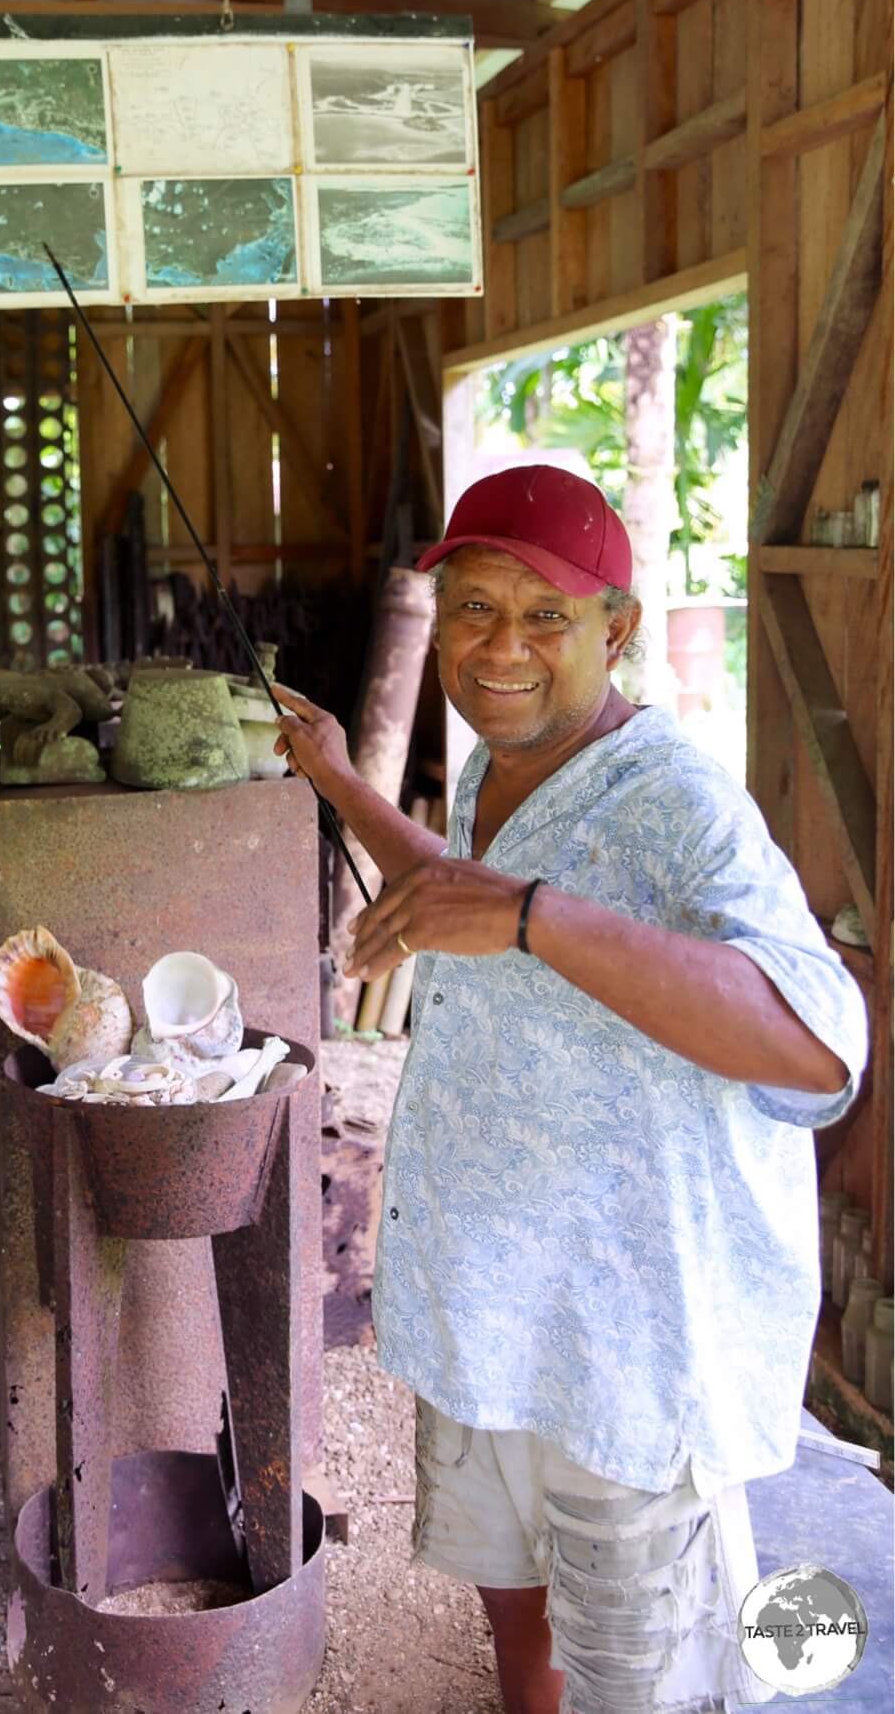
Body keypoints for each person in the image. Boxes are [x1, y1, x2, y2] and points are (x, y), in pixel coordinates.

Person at [273, 463, 867, 1714]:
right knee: (514, 1595)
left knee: (638, 1670)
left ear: (617, 628)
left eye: (545, 615)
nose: (502, 646)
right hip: (502, 1306)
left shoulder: (678, 804)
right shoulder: (503, 763)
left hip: (628, 1344)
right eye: (475, 609)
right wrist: (338, 778)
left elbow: (822, 1046)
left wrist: (535, 919)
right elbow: (466, 892)